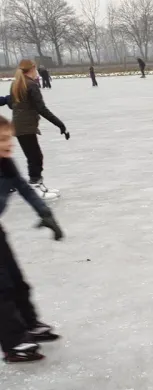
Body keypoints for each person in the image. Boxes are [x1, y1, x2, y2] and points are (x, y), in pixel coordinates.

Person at [0, 115, 64, 363]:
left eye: (9, 138)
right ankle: (13, 344)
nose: (10, 144)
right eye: (3, 139)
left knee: (17, 281)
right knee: (1, 289)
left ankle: (30, 324)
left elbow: (25, 189)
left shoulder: (6, 164)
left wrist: (45, 213)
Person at [9, 59, 68, 200]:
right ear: (32, 69)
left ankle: (39, 185)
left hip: (19, 126)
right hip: (26, 127)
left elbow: (12, 104)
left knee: (34, 156)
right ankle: (35, 186)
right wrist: (59, 124)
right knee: (35, 157)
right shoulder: (31, 85)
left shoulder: (16, 83)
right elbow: (41, 108)